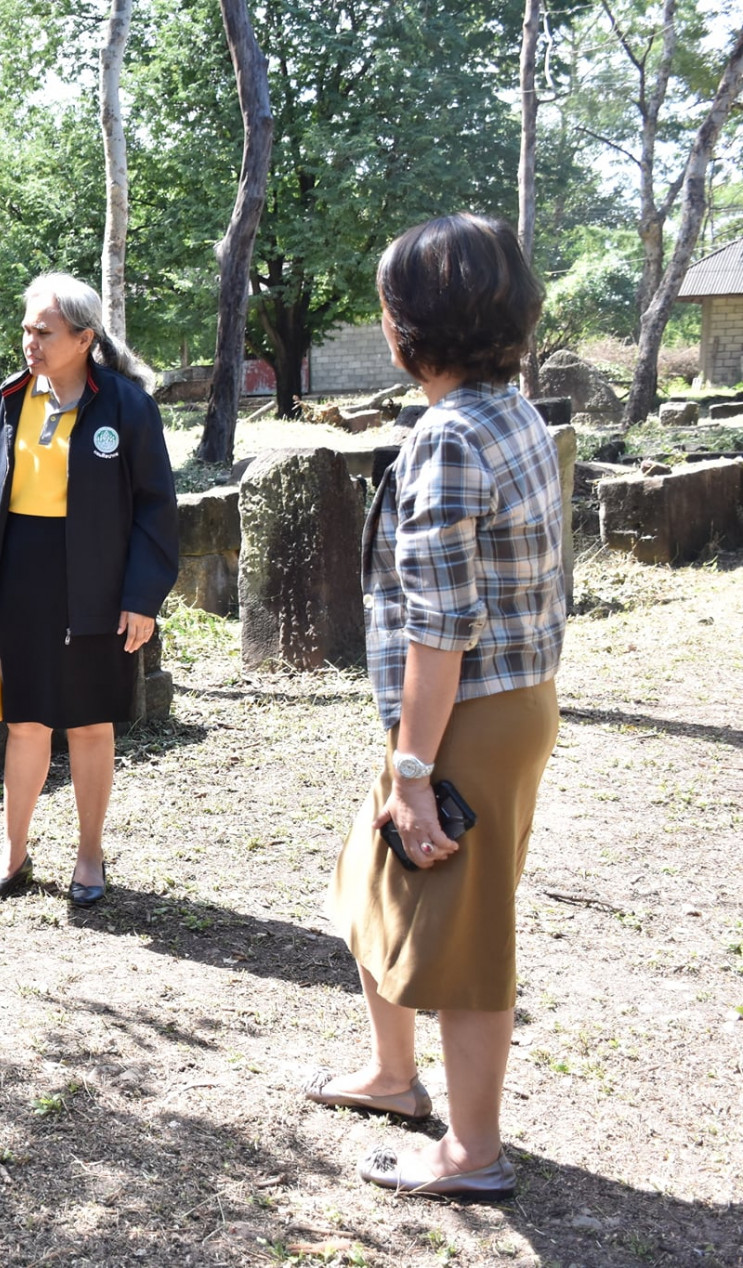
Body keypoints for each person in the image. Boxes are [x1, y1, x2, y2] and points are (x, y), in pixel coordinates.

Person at [305, 213, 564, 1200]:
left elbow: (440, 629)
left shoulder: (449, 442)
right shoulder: (511, 411)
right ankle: (391, 1075)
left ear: (409, 325)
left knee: (462, 933)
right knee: (366, 882)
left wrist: (413, 772)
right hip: (494, 705)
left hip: (462, 715)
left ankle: (473, 1150)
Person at [0, 272, 179, 907]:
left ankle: (89, 856)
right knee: (24, 722)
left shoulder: (126, 407)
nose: (30, 341)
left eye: (44, 331)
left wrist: (142, 596)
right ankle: (13, 856)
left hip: (98, 583)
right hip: (22, 575)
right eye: (26, 328)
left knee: (87, 723)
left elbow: (156, 508)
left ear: (84, 338)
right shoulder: (7, 401)